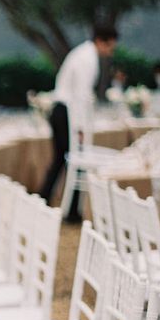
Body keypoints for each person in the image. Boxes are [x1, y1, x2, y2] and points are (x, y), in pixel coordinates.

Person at [39, 25, 119, 222]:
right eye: (110, 47)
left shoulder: (81, 53)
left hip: (62, 109)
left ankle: (47, 201)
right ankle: (71, 210)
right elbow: (81, 96)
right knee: (75, 160)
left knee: (62, 159)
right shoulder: (87, 58)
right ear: (102, 41)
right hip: (67, 112)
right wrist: (81, 128)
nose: (110, 52)